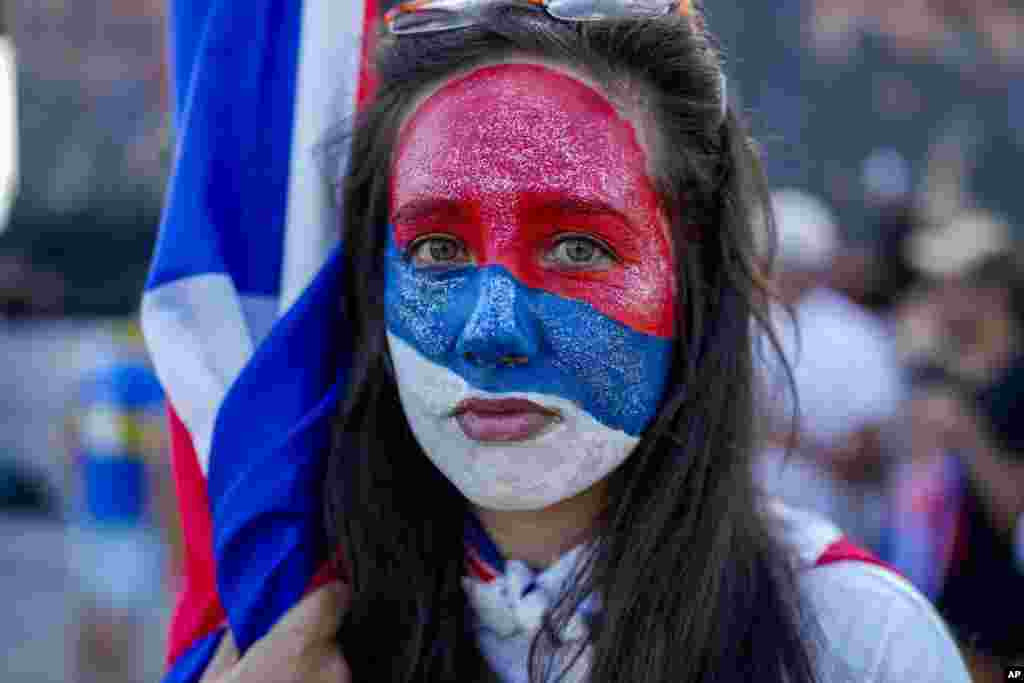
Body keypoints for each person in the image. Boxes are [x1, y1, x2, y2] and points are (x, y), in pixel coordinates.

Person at [198, 3, 968, 682]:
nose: (492, 329)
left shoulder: (858, 644)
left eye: (576, 247)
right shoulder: (291, 649)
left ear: (692, 280)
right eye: (438, 249)